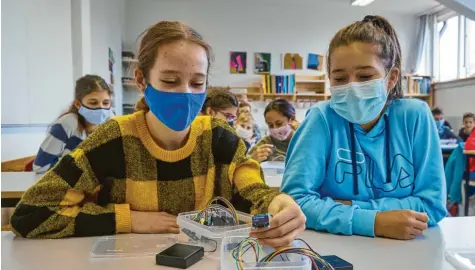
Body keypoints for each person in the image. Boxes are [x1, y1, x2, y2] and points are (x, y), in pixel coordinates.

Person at [10, 21, 305, 247]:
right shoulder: (114, 138)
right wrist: (128, 219)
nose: (185, 93)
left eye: (197, 82)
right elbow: (31, 214)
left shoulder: (219, 137)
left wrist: (277, 204)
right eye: (170, 80)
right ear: (141, 80)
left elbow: (251, 186)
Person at [281, 15, 447, 240]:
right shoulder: (321, 119)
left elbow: (432, 204)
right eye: (339, 78)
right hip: (335, 248)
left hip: (408, 251)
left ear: (391, 78)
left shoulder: (415, 116)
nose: (352, 87)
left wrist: (351, 206)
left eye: (365, 76)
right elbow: (294, 202)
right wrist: (374, 222)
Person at [33, 75, 113, 173]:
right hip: (65, 184)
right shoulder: (67, 123)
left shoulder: (111, 122)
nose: (101, 108)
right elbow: (41, 167)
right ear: (78, 104)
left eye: (105, 103)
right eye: (93, 103)